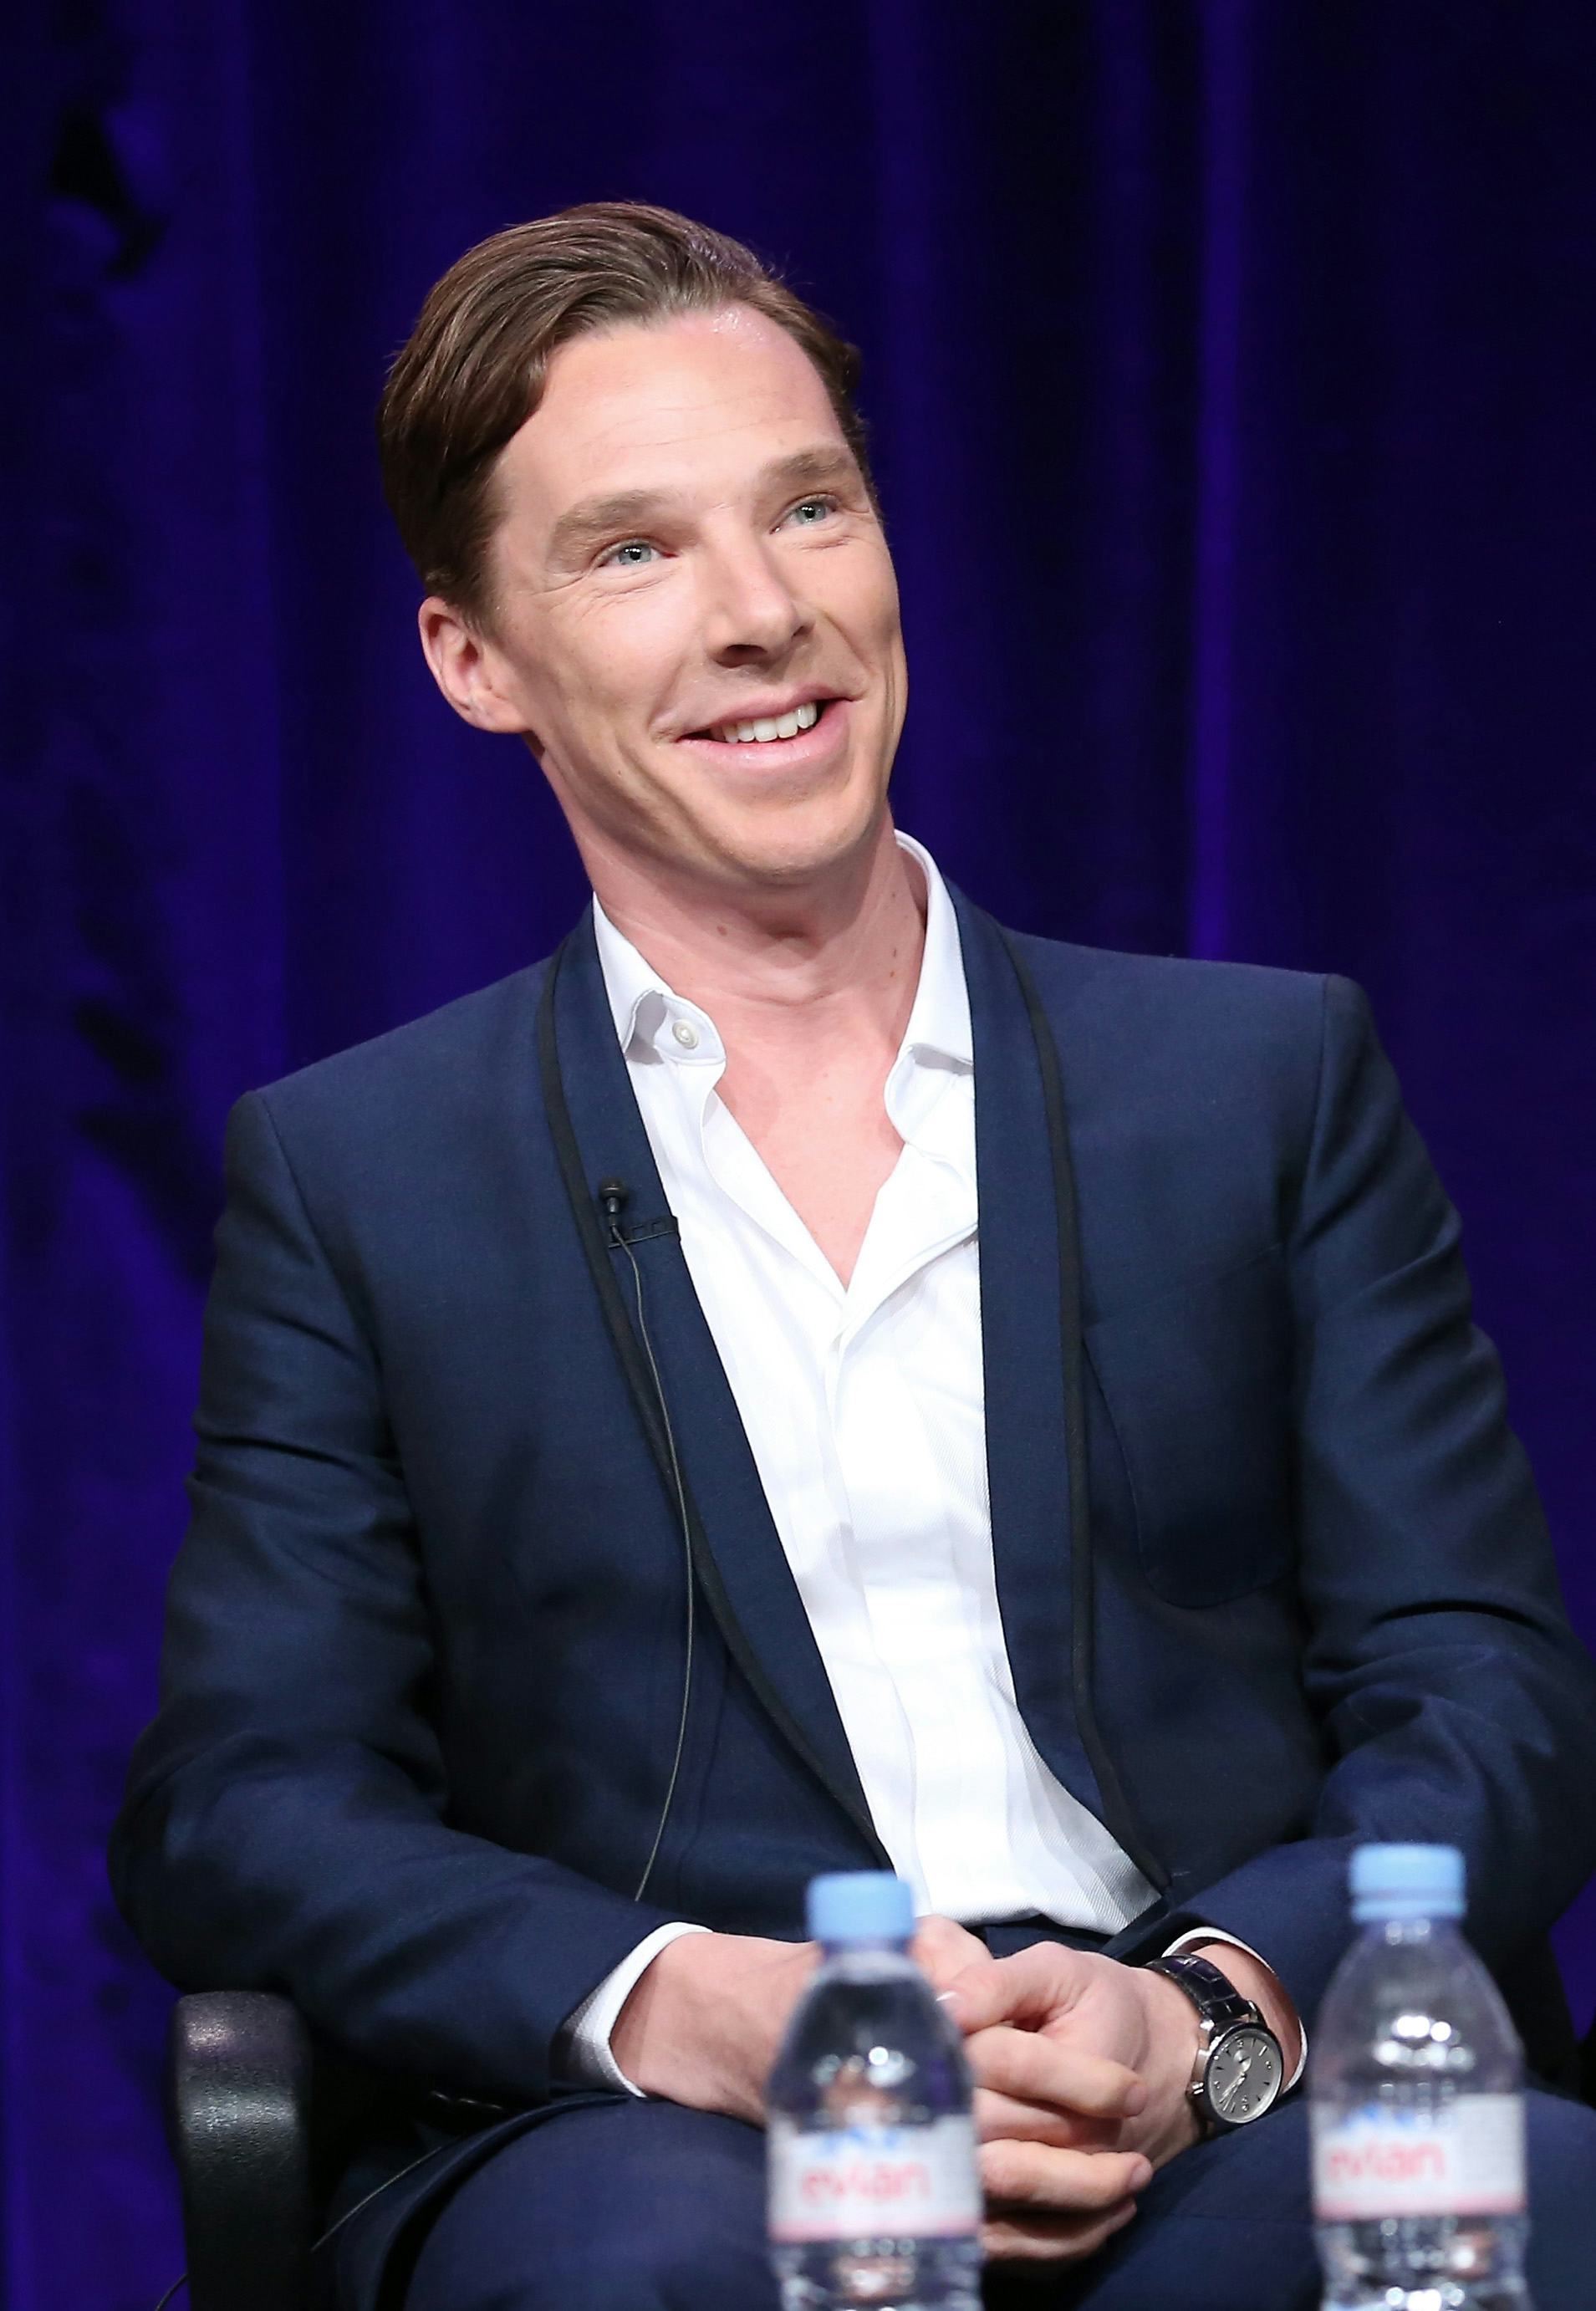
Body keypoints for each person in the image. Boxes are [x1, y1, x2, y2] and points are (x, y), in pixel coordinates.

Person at [110, 202, 1596, 2309]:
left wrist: (1212, 2003)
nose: (761, 613)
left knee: (1515, 2210)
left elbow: (1483, 1682)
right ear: (473, 659)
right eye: (635, 550)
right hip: (670, 2138)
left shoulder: (1257, 1080)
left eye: (807, 508)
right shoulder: (363, 1174)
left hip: (1198, 2081)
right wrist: (677, 1995)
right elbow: (245, 1800)